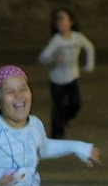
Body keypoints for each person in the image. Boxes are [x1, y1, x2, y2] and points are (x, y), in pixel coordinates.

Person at [36, 8, 95, 139]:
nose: (60, 22)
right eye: (58, 19)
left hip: (72, 78)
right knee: (58, 107)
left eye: (63, 18)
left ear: (71, 22)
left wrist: (89, 65)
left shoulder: (77, 38)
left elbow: (89, 47)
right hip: (56, 80)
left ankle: (64, 119)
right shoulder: (56, 40)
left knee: (76, 104)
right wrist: (55, 60)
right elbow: (42, 58)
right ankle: (57, 135)